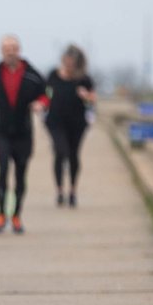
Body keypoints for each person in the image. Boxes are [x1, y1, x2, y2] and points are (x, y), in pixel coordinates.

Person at [0, 35, 48, 234]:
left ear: (19, 49)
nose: (10, 51)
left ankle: (16, 215)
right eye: (6, 47)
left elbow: (48, 92)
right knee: (2, 169)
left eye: (14, 47)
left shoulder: (32, 74)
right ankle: (0, 213)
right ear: (1, 50)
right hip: (1, 131)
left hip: (23, 132)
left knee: (20, 173)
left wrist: (42, 103)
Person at [45, 44, 96, 208]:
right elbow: (46, 93)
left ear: (76, 62)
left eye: (71, 62)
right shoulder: (53, 75)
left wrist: (86, 95)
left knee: (73, 155)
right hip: (55, 121)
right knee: (61, 152)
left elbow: (93, 99)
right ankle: (59, 190)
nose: (68, 64)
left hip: (77, 123)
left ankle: (72, 191)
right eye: (66, 60)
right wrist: (44, 101)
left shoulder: (84, 79)